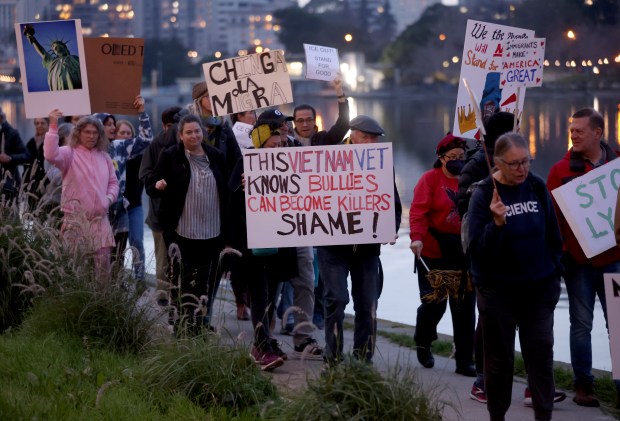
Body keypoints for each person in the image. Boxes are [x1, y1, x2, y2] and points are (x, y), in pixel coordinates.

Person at [468, 133, 563, 421]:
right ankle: (497, 415)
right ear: (497, 162)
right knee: (499, 360)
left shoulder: (535, 186)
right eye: (514, 164)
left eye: (526, 162)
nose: (522, 169)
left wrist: (552, 278)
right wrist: (496, 224)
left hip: (537, 289)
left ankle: (543, 414)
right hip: (498, 292)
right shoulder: (484, 193)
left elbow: (553, 237)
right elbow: (476, 251)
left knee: (541, 355)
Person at [547, 107, 620, 408]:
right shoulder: (560, 171)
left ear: (598, 133)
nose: (573, 134)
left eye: (579, 130)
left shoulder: (616, 165)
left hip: (614, 260)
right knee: (581, 325)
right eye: (571, 129)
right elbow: (553, 222)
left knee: (617, 324)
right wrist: (561, 254)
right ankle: (583, 386)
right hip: (577, 263)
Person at [318, 115, 402, 364]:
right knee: (337, 299)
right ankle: (332, 355)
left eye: (374, 138)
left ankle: (362, 360)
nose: (370, 142)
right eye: (365, 137)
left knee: (368, 305)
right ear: (351, 136)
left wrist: (392, 227)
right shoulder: (328, 159)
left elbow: (392, 201)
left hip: (366, 249)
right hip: (332, 247)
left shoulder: (382, 163)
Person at [225, 120, 299, 370]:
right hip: (254, 242)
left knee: (272, 293)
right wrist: (245, 188)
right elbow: (231, 197)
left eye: (281, 143)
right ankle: (259, 346)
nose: (278, 146)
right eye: (273, 143)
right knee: (260, 292)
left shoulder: (290, 162)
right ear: (261, 142)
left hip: (281, 241)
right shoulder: (246, 163)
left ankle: (266, 340)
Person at [145, 114, 228, 333]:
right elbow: (150, 185)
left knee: (204, 282)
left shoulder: (217, 156)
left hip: (212, 230)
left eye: (197, 131)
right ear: (180, 136)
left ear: (203, 132)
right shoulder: (170, 155)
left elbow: (227, 188)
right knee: (182, 279)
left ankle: (198, 324)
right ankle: (181, 323)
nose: (194, 135)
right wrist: (159, 185)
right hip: (182, 230)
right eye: (188, 132)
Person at [409, 133, 475, 377]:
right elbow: (417, 213)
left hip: (463, 251)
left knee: (465, 306)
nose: (458, 160)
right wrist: (416, 237)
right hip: (434, 251)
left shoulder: (472, 179)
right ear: (441, 158)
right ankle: (423, 340)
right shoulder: (430, 180)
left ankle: (465, 359)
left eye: (462, 156)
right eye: (452, 157)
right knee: (435, 303)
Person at [43, 110, 118, 281]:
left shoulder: (105, 157)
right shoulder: (69, 153)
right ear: (78, 133)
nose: (92, 136)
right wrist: (53, 125)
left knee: (103, 274)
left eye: (95, 133)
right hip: (75, 223)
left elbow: (114, 183)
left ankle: (101, 306)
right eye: (87, 132)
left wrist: (108, 199)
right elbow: (50, 154)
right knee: (78, 273)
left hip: (100, 222)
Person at [98, 95, 153, 277]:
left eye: (114, 124)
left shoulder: (119, 146)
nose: (113, 127)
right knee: (101, 252)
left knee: (119, 251)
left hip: (120, 208)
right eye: (108, 124)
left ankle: (120, 286)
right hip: (97, 210)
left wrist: (142, 113)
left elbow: (146, 140)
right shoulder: (90, 151)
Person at [140, 106, 183, 289]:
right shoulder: (155, 146)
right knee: (162, 256)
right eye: (174, 126)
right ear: (166, 126)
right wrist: (159, 184)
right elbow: (145, 175)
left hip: (184, 213)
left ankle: (180, 294)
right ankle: (163, 295)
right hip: (159, 212)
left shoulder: (190, 145)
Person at [187, 81, 241, 173]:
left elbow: (236, 158)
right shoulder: (188, 124)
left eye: (216, 96)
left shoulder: (224, 126)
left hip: (221, 182)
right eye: (209, 96)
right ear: (199, 100)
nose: (214, 100)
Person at [292, 73, 349, 147]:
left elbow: (343, 123)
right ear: (295, 123)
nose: (305, 124)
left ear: (314, 121)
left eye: (309, 120)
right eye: (300, 121)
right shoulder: (287, 143)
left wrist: (339, 91)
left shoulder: (325, 139)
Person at [22, 24, 82, 91]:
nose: (55, 48)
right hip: (58, 87)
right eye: (53, 48)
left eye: (57, 46)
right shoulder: (53, 62)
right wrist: (33, 40)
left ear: (65, 48)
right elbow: (43, 52)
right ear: (54, 52)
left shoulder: (75, 59)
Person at [0, 109, 30, 203]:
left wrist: (10, 158)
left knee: (10, 216)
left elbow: (27, 156)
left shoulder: (12, 133)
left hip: (9, 186)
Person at [22, 117, 50, 207]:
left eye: (42, 123)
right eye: (37, 123)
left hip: (47, 185)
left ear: (48, 124)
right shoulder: (31, 142)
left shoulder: (51, 142)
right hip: (31, 185)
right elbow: (26, 163)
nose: (39, 126)